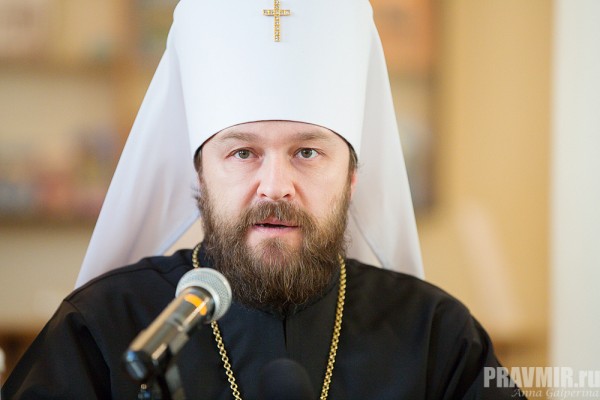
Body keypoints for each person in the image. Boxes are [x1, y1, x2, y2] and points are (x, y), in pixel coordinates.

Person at [3, 0, 523, 398]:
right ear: (201, 176)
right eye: (244, 153)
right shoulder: (107, 326)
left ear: (352, 179)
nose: (275, 186)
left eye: (307, 152)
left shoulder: (435, 335)